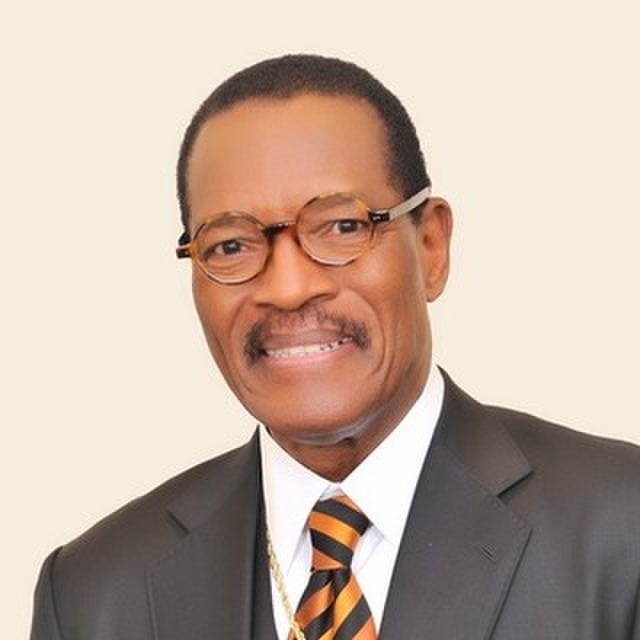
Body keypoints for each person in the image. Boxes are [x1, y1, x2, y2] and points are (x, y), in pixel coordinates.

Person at [31, 54, 640, 640]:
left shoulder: (621, 526)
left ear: (431, 247)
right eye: (231, 245)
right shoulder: (92, 593)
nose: (288, 289)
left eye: (343, 226)